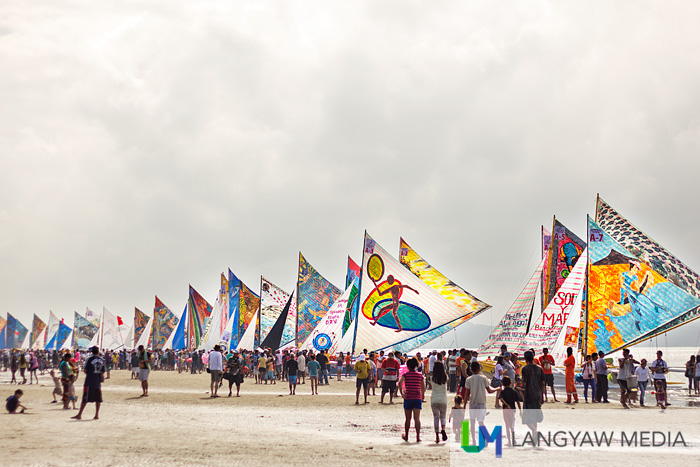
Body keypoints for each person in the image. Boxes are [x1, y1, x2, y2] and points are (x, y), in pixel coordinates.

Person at [464, 361, 497, 445]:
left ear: (471, 370)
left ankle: (474, 441)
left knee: (472, 423)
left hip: (472, 402)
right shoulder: (483, 378)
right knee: (481, 422)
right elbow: (489, 391)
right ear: (479, 369)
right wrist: (497, 388)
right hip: (481, 402)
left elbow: (467, 394)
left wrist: (464, 405)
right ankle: (485, 440)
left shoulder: (469, 379)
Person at [72, 346, 105, 420]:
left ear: (92, 352)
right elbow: (103, 371)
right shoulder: (102, 360)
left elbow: (85, 370)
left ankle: (79, 414)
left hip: (89, 381)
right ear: (98, 351)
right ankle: (96, 415)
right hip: (98, 382)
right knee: (98, 399)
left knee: (85, 398)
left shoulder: (89, 359)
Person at [398, 357, 425, 442]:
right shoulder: (420, 375)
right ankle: (417, 437)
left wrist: (402, 393)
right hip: (417, 398)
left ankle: (407, 435)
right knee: (417, 418)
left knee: (408, 419)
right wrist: (423, 395)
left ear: (408, 366)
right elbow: (423, 387)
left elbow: (399, 383)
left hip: (408, 397)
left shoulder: (405, 375)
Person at [518, 350, 545, 439]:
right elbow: (543, 383)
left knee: (527, 418)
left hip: (529, 395)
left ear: (525, 359)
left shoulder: (525, 369)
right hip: (537, 395)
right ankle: (534, 437)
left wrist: (519, 384)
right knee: (534, 417)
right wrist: (543, 396)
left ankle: (534, 431)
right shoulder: (539, 368)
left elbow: (524, 383)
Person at [498, 376, 521, 447]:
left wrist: (506, 405)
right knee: (512, 426)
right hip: (512, 410)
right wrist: (520, 410)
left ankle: (509, 441)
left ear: (502, 384)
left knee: (507, 426)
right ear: (511, 383)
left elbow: (501, 399)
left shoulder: (503, 392)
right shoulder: (514, 391)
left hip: (505, 410)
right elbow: (518, 402)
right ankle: (514, 440)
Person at [430, 361, 448, 443]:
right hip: (443, 399)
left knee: (436, 417)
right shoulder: (445, 377)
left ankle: (437, 436)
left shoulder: (431, 378)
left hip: (434, 399)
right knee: (443, 416)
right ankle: (443, 429)